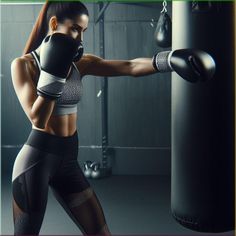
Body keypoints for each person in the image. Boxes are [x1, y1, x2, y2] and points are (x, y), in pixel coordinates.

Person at [10, 1, 215, 235]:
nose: (79, 39)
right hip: (36, 163)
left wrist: (170, 60)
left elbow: (129, 66)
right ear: (54, 24)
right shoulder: (23, 65)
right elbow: (38, 119)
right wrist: (52, 72)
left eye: (83, 32)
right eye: (75, 29)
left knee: (101, 232)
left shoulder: (81, 63)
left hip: (68, 162)